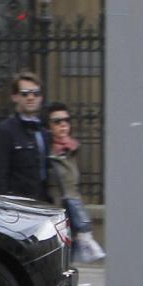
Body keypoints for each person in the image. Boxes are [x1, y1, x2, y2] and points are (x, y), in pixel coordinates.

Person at [45, 102, 105, 263]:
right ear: (49, 125)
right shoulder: (47, 152)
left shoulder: (71, 150)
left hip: (71, 216)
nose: (63, 124)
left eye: (66, 120)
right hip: (54, 216)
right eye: (57, 121)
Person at [0, 71, 52, 202]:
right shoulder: (3, 132)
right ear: (15, 97)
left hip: (42, 205)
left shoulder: (43, 132)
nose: (31, 97)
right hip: (17, 207)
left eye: (36, 93)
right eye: (25, 93)